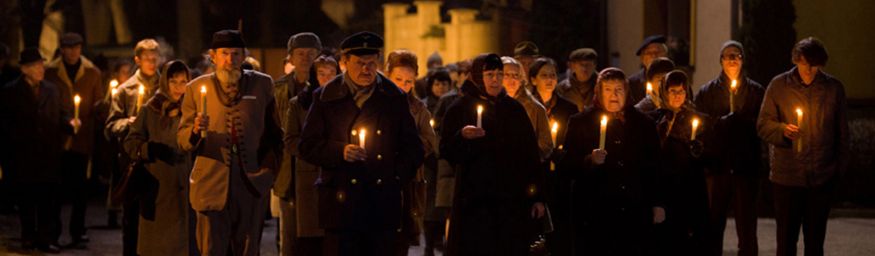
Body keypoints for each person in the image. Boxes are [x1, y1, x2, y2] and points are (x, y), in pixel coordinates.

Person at [298, 31, 424, 256]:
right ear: (344, 63)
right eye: (360, 63)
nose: (366, 69)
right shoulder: (326, 96)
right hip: (341, 203)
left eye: (371, 63)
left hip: (381, 203)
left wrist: (393, 175)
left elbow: (413, 148)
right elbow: (307, 145)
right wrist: (340, 151)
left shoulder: (393, 96)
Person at [177, 29, 283, 256]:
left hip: (251, 184)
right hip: (210, 185)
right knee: (212, 249)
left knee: (247, 248)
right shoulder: (195, 88)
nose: (230, 60)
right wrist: (195, 131)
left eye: (236, 54)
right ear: (213, 56)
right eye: (224, 53)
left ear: (243, 56)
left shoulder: (262, 85)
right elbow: (182, 139)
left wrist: (268, 173)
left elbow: (275, 135)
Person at [440, 53, 546, 255]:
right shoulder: (460, 108)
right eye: (489, 74)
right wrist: (462, 136)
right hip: (474, 201)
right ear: (478, 76)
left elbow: (530, 155)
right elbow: (446, 150)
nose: (496, 79)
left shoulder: (514, 109)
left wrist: (537, 196)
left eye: (499, 74)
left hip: (510, 200)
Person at [757, 37, 848, 256]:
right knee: (786, 242)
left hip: (820, 178)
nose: (810, 70)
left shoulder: (833, 89)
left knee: (815, 243)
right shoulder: (779, 86)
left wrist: (839, 171)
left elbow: (842, 133)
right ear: (797, 60)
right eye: (806, 64)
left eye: (815, 66)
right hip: (787, 178)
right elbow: (763, 124)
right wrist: (782, 130)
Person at [558, 67, 663, 255]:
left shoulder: (644, 123)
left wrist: (658, 203)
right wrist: (589, 160)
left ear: (626, 91)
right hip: (596, 212)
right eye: (608, 89)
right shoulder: (581, 121)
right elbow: (566, 164)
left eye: (619, 89)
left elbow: (655, 166)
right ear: (599, 91)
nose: (614, 95)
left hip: (634, 211)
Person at [694, 40, 765, 256]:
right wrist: (722, 123)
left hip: (745, 168)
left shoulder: (756, 91)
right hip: (718, 167)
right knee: (714, 225)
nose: (732, 59)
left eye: (737, 55)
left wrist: (743, 123)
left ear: (743, 60)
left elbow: (762, 124)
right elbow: (700, 124)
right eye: (728, 56)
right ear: (721, 61)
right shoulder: (707, 92)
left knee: (747, 228)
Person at [0, 47, 69, 253]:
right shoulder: (10, 91)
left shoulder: (51, 89)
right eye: (36, 66)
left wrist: (70, 123)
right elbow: (4, 124)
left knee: (47, 199)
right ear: (25, 69)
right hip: (23, 155)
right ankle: (28, 236)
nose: (41, 69)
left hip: (48, 154)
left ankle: (46, 238)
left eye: (41, 65)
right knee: (27, 199)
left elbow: (61, 114)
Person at [123, 60, 196, 256]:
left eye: (184, 82)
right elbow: (130, 143)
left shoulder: (193, 109)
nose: (180, 88)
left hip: (186, 187)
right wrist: (150, 149)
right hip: (158, 189)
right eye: (174, 82)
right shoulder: (150, 109)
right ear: (164, 82)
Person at [43, 32, 103, 247]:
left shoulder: (92, 72)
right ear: (61, 49)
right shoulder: (50, 72)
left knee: (80, 190)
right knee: (56, 190)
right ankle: (54, 232)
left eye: (76, 48)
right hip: (58, 139)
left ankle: (78, 231)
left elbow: (98, 103)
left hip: (82, 139)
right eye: (68, 48)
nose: (72, 52)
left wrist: (99, 110)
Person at [105, 38, 162, 256]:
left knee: (158, 215)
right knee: (132, 218)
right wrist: (126, 123)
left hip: (159, 159)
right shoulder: (125, 90)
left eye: (155, 58)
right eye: (147, 58)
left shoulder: (165, 87)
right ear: (137, 60)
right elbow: (110, 126)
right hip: (133, 162)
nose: (152, 62)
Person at [649, 70, 710, 255]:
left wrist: (699, 151)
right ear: (664, 92)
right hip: (662, 189)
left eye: (681, 91)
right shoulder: (654, 119)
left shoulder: (699, 120)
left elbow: (710, 158)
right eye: (672, 91)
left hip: (689, 191)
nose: (677, 96)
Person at [273, 32, 323, 256]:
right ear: (290, 58)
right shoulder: (277, 89)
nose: (306, 58)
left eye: (311, 54)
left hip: (319, 172)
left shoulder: (328, 88)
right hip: (287, 173)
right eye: (300, 54)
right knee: (290, 239)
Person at [384, 49, 438, 256]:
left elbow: (429, 140)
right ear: (387, 75)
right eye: (398, 79)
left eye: (409, 81)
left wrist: (408, 152)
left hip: (408, 180)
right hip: (377, 178)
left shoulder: (418, 109)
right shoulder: (375, 103)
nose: (403, 86)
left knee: (401, 240)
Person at [527, 57, 579, 255]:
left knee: (560, 232)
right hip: (535, 176)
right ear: (533, 80)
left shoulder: (568, 109)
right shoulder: (527, 107)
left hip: (559, 179)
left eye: (552, 75)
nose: (549, 79)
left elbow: (573, 144)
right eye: (544, 75)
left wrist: (560, 153)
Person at [502, 56, 552, 161]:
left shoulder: (535, 108)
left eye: (516, 75)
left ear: (521, 79)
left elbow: (545, 144)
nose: (512, 79)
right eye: (506, 75)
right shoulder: (491, 103)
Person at [629, 35, 670, 104]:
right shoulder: (633, 83)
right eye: (649, 53)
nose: (653, 56)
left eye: (657, 52)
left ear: (666, 55)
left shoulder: (675, 78)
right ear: (642, 58)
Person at [558, 48, 598, 112]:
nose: (584, 69)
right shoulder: (562, 89)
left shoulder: (603, 86)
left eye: (588, 65)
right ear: (573, 66)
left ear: (594, 65)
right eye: (581, 65)